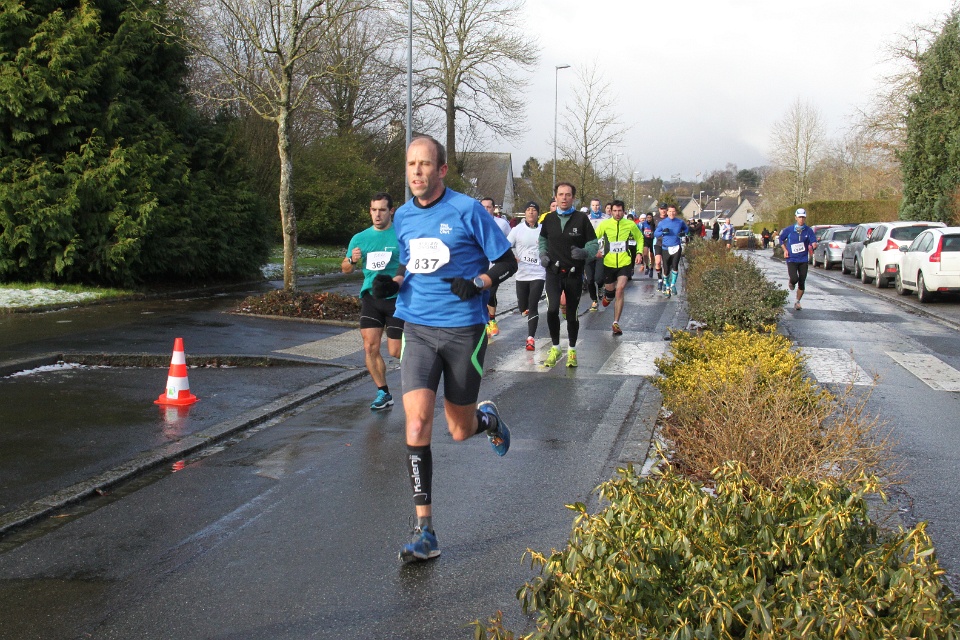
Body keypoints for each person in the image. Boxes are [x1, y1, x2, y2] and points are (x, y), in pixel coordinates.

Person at [378, 135, 518, 563]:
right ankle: (425, 530)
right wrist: (392, 283)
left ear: (441, 170)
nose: (417, 172)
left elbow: (506, 261)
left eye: (425, 164)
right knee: (417, 422)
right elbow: (409, 265)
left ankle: (486, 419)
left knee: (458, 430)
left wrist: (478, 282)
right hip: (418, 329)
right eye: (411, 165)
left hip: (463, 331)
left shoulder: (467, 210)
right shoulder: (403, 216)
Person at [342, 193, 404, 410]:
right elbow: (345, 269)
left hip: (397, 298)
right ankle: (383, 392)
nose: (377, 215)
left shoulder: (401, 235)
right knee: (370, 346)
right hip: (371, 298)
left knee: (396, 351)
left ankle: (421, 381)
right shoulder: (360, 238)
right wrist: (352, 260)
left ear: (391, 211)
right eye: (374, 210)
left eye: (382, 210)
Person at [538, 182, 598, 368]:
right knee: (552, 309)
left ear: (573, 198)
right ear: (556, 197)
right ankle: (556, 347)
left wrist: (584, 252)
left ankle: (572, 350)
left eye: (568, 194)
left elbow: (593, 243)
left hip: (573, 273)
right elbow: (542, 240)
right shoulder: (548, 219)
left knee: (571, 314)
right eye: (561, 194)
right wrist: (543, 254)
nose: (564, 198)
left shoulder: (581, 219)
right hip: (553, 272)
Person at [595, 200, 643, 335]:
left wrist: (639, 253)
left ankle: (616, 322)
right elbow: (593, 238)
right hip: (608, 263)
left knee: (620, 289)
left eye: (619, 211)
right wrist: (595, 250)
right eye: (615, 211)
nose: (617, 213)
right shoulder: (605, 224)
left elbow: (640, 238)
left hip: (624, 262)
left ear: (623, 211)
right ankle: (608, 296)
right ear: (611, 211)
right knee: (610, 292)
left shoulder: (630, 224)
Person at [508, 202, 547, 351]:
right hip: (522, 273)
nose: (531, 212)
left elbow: (551, 246)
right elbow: (505, 245)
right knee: (523, 306)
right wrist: (512, 257)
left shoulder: (543, 230)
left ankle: (531, 338)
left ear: (538, 213)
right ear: (525, 213)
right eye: (528, 210)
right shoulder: (517, 229)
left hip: (538, 273)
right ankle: (524, 309)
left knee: (533, 305)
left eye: (534, 210)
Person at [480, 197, 511, 337]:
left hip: (495, 265)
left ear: (493, 208)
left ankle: (492, 320)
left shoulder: (502, 224)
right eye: (483, 207)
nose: (486, 209)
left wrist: (508, 256)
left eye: (489, 207)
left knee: (491, 292)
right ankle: (484, 320)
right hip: (479, 266)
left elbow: (510, 240)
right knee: (481, 294)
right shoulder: (475, 222)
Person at [778, 208, 818, 310]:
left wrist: (814, 245)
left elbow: (813, 241)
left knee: (802, 281)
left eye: (803, 217)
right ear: (796, 218)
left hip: (803, 259)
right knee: (795, 278)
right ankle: (791, 281)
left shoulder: (808, 230)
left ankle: (797, 301)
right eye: (799, 217)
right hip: (791, 258)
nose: (801, 219)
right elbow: (781, 239)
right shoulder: (789, 229)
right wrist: (785, 250)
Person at [654, 204, 688, 298]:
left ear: (675, 212)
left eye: (673, 211)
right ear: (667, 212)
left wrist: (683, 233)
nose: (672, 213)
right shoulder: (662, 223)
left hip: (676, 246)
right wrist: (662, 232)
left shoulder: (680, 222)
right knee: (666, 269)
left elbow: (686, 229)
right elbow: (656, 233)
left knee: (675, 266)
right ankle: (667, 287)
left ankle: (672, 285)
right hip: (666, 248)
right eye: (670, 211)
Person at [584, 198, 607, 310]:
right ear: (590, 206)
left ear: (600, 206)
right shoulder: (586, 219)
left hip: (601, 252)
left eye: (597, 205)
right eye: (593, 205)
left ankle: (601, 287)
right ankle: (594, 300)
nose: (595, 207)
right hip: (589, 253)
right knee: (589, 279)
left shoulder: (606, 219)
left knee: (599, 278)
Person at [653, 203, 668, 290]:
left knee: (666, 264)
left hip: (667, 244)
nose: (663, 211)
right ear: (659, 209)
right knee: (658, 262)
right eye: (661, 209)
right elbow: (652, 227)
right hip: (658, 242)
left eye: (664, 209)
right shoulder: (655, 218)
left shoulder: (669, 218)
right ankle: (659, 279)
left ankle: (666, 280)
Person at [639, 212, 656, 277]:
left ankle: (651, 268)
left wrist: (653, 234)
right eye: (648, 217)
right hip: (646, 240)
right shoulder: (644, 223)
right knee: (645, 254)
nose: (649, 219)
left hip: (652, 240)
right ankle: (647, 266)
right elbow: (642, 231)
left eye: (650, 217)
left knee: (652, 255)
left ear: (652, 218)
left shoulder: (654, 224)